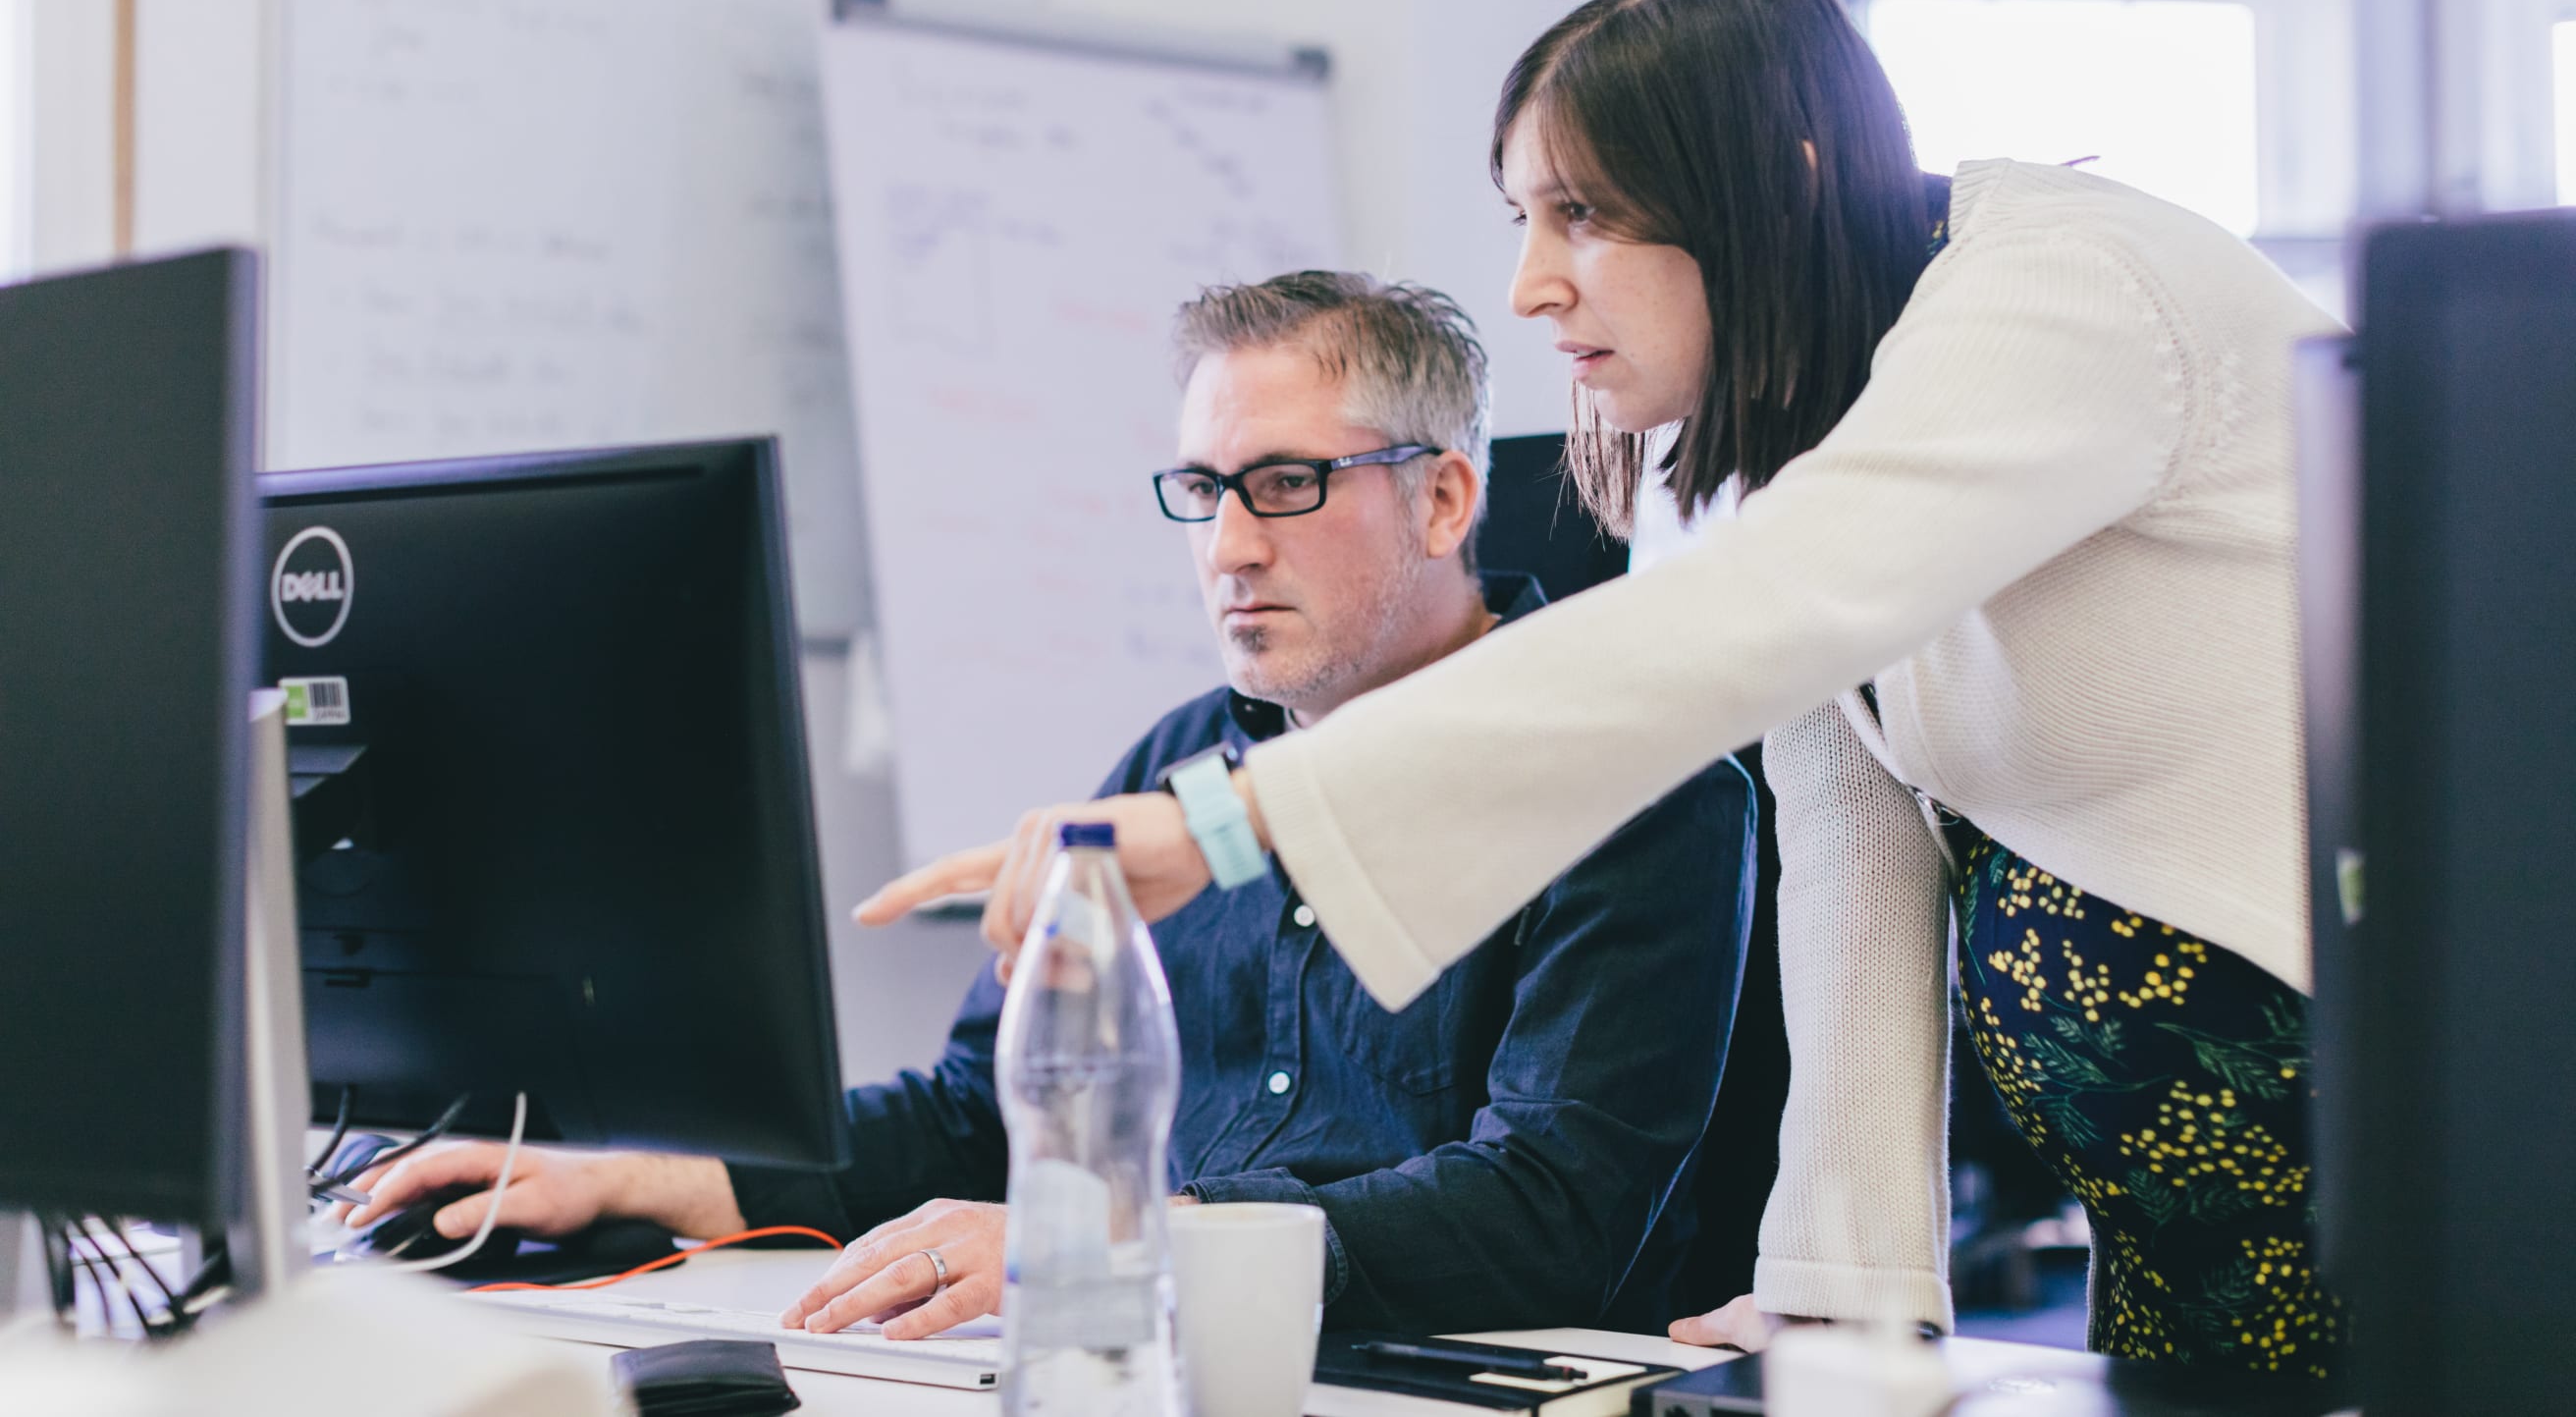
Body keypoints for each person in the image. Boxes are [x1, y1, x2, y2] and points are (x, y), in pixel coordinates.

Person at [867, 0, 2350, 1381]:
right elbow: (1848, 849)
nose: (1527, 284)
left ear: (1783, 181)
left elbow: (1744, 621)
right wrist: (1842, 1303)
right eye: (1522, 215)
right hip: (2194, 1211)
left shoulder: (2068, 300)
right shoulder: (1790, 432)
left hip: (2411, 1121)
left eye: (1583, 214)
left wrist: (1218, 824)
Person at [346, 271, 1757, 1342]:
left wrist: (1108, 1238)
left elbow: (1550, 1214)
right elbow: (979, 1115)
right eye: (1204, 488)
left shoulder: (1635, 780)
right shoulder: (1178, 763)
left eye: (1284, 483)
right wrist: (639, 1170)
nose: (1229, 547)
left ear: (1447, 497)